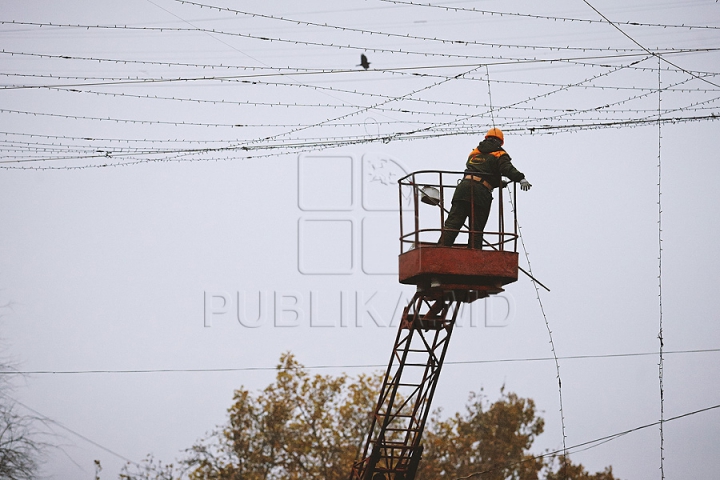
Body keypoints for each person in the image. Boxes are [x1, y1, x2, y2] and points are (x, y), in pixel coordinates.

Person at [439, 128, 531, 248]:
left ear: (486, 138)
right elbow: (506, 168)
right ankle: (474, 254)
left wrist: (497, 183)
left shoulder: (475, 152)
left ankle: (441, 248)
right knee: (476, 228)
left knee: (453, 223)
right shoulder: (499, 154)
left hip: (463, 188)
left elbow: (480, 171)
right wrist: (520, 178)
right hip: (480, 193)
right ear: (500, 142)